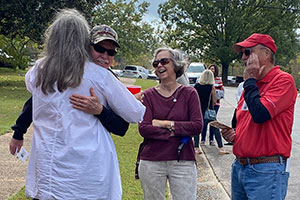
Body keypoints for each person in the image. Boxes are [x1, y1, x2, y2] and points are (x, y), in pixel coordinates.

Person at [21, 9, 145, 199]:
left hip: (47, 169)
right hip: (86, 173)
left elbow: (32, 89)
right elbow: (136, 114)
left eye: (110, 52)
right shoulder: (98, 76)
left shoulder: (38, 70)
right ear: (84, 42)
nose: (105, 55)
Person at [9, 24, 131, 155]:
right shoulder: (65, 71)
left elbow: (122, 128)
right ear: (87, 48)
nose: (105, 56)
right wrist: (18, 132)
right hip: (57, 150)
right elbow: (37, 99)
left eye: (111, 52)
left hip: (91, 155)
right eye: (99, 49)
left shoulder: (111, 82)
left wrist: (100, 110)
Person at [221, 33, 297, 200]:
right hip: (240, 166)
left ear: (266, 53)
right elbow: (248, 122)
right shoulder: (251, 85)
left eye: (248, 52)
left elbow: (261, 114)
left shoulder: (282, 80)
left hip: (265, 169)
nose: (243, 58)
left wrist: (250, 82)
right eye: (241, 53)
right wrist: (236, 135)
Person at [138, 47, 203, 200]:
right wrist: (178, 130)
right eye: (156, 63)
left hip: (183, 160)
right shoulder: (148, 96)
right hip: (151, 161)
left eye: (164, 61)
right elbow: (144, 128)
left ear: (176, 65)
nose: (159, 65)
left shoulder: (189, 94)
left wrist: (165, 124)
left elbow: (197, 126)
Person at [194, 70, 229, 155]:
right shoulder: (211, 87)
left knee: (197, 129)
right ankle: (221, 148)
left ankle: (196, 148)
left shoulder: (196, 86)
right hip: (209, 110)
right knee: (215, 127)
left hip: (198, 109)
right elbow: (214, 101)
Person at [206, 64, 225, 147]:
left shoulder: (218, 80)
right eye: (210, 68)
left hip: (216, 103)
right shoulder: (206, 79)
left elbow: (221, 90)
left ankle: (211, 139)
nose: (212, 70)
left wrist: (216, 94)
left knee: (212, 121)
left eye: (213, 69)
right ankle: (203, 139)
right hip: (207, 103)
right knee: (205, 121)